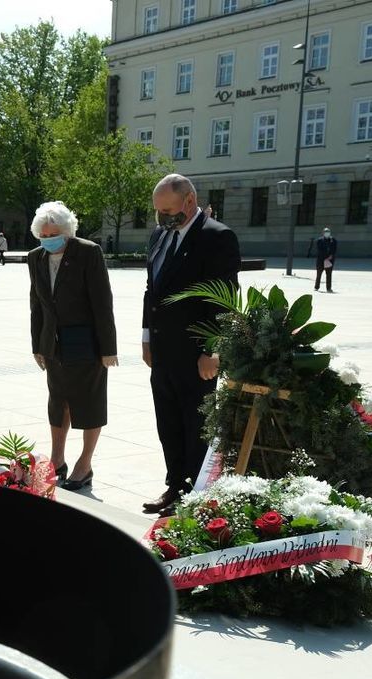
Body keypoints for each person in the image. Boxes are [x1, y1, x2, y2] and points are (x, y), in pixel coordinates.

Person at [141, 173, 240, 516]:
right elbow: (150, 291)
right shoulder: (158, 236)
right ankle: (175, 484)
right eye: (158, 212)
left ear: (189, 201)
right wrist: (146, 337)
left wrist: (213, 349)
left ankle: (195, 493)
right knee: (168, 419)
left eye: (168, 210)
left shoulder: (217, 237)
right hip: (163, 350)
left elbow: (225, 299)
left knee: (195, 423)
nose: (163, 218)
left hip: (197, 354)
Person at [28, 201, 118, 492]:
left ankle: (84, 464)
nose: (48, 239)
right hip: (52, 343)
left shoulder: (87, 252)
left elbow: (102, 302)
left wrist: (108, 348)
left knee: (89, 402)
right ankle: (57, 459)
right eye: (43, 235)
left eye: (54, 233)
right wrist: (37, 344)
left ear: (67, 231)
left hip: (86, 342)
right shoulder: (36, 257)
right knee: (58, 401)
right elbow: (37, 304)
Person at [307, 227, 337, 293]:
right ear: (323, 233)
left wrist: (331, 256)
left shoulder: (333, 240)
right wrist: (325, 257)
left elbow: (334, 249)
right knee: (319, 274)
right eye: (326, 232)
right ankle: (316, 287)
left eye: (328, 232)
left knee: (329, 274)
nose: (327, 233)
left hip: (330, 260)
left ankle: (329, 288)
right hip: (321, 260)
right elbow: (319, 250)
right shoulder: (319, 240)